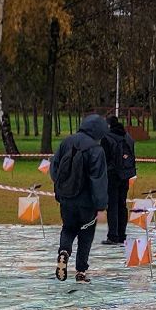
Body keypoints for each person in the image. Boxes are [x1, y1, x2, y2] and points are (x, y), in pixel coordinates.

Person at [50, 114, 110, 283]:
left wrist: (62, 190)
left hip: (66, 198)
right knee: (86, 234)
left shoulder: (66, 142)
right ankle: (81, 271)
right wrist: (101, 205)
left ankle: (64, 251)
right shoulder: (96, 150)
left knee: (68, 228)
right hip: (86, 202)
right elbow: (98, 180)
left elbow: (54, 169)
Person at [101, 115, 137, 245]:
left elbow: (104, 159)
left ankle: (113, 235)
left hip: (112, 175)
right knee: (122, 204)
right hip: (126, 174)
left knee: (112, 205)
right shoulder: (128, 137)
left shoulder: (106, 138)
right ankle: (122, 234)